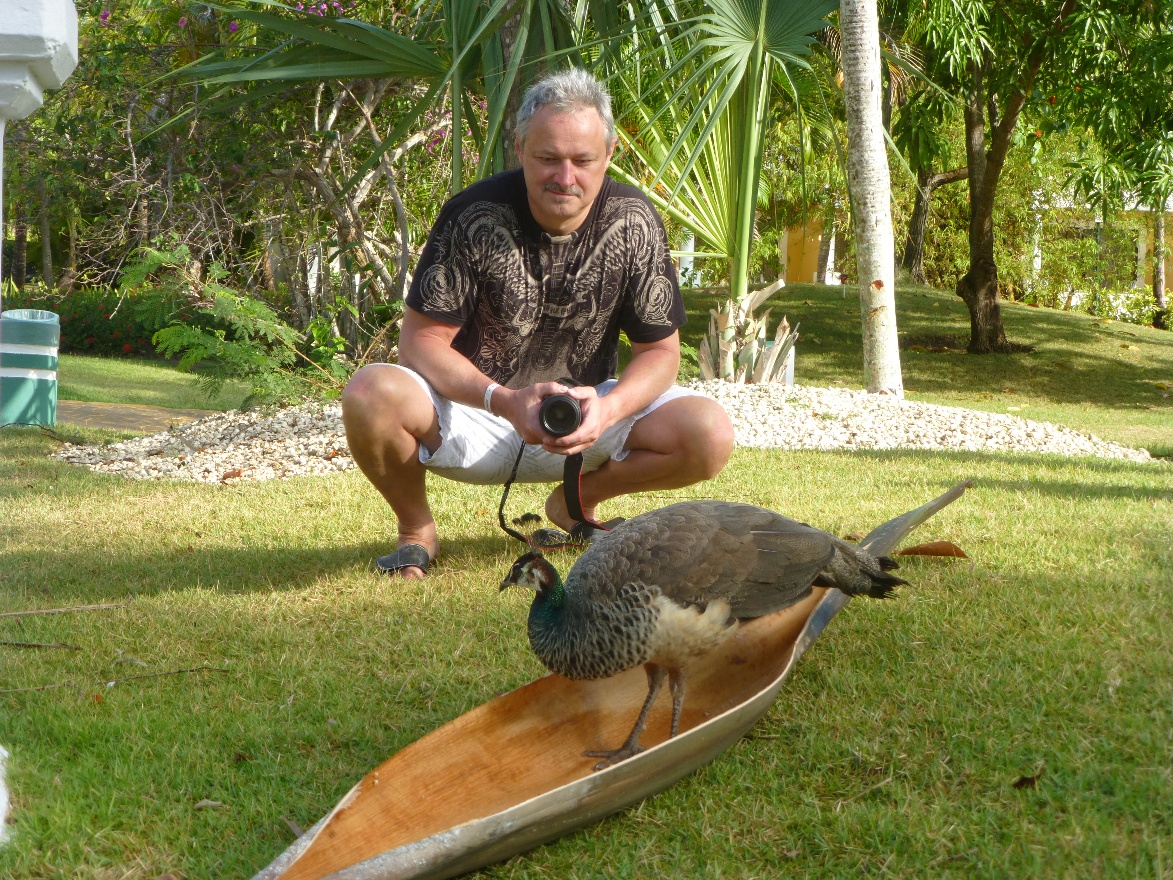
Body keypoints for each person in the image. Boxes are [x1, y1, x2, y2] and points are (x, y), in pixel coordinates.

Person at [341, 68, 734, 579]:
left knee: (709, 432)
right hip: (478, 411)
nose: (564, 177)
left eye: (582, 160)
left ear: (610, 154)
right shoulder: (471, 215)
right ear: (521, 148)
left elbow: (660, 352)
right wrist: (502, 400)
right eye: (548, 157)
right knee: (371, 391)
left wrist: (609, 407)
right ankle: (416, 531)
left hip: (586, 417)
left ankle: (576, 503)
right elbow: (419, 341)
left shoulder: (635, 221)